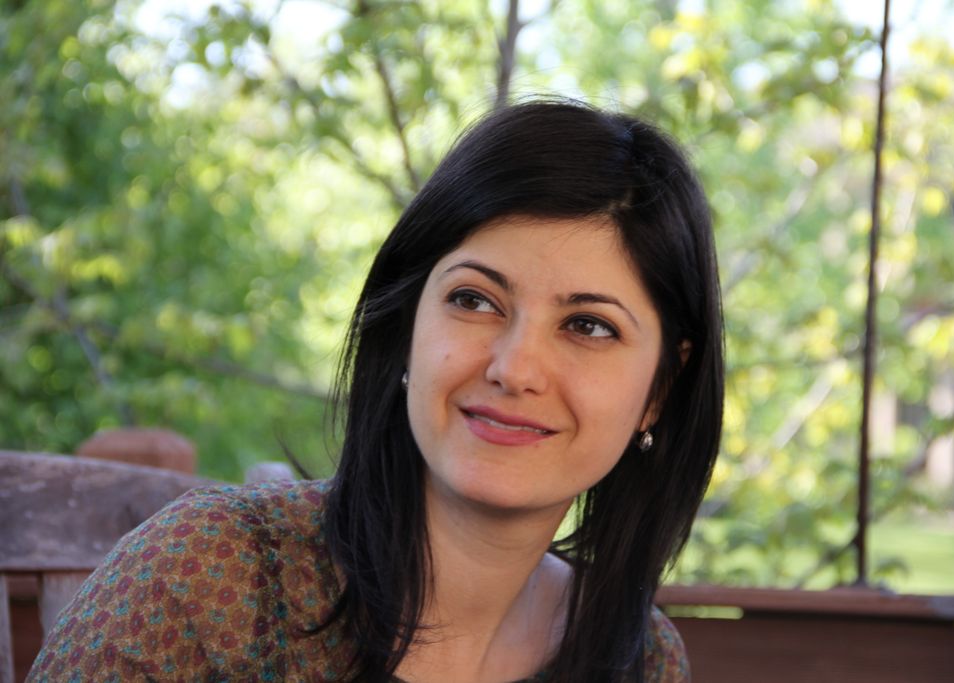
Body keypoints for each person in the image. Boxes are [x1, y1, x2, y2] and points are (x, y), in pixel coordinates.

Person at [28, 99, 723, 683]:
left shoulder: (641, 659)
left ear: (660, 387)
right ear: (407, 325)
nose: (515, 369)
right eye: (475, 300)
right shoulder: (216, 575)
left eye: (588, 325)